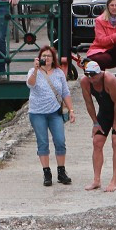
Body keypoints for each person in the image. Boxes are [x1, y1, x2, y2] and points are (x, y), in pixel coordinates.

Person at [26, 45, 76, 186]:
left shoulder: (59, 73)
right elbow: (30, 84)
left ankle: (61, 171)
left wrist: (71, 110)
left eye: (48, 56)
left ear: (53, 59)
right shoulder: (32, 71)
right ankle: (46, 172)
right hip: (37, 113)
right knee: (43, 142)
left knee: (60, 140)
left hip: (55, 112)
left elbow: (65, 92)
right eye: (43, 56)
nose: (46, 59)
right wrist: (36, 69)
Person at [80, 60, 116, 192]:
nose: (92, 79)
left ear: (100, 73)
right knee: (97, 142)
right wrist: (95, 123)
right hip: (104, 111)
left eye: (94, 76)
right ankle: (96, 180)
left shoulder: (110, 80)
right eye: (88, 75)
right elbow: (89, 103)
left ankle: (114, 180)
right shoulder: (85, 82)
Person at [84, 0, 116, 70]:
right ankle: (98, 73)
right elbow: (102, 41)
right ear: (108, 7)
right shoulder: (99, 20)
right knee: (105, 59)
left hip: (113, 50)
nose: (114, 8)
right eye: (112, 5)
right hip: (99, 50)